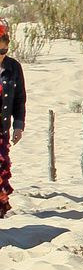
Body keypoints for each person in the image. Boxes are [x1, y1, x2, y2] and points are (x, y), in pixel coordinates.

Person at [0, 24, 24, 219]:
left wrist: (18, 125)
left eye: (4, 50)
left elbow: (19, 99)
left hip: (2, 129)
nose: (1, 54)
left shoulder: (13, 67)